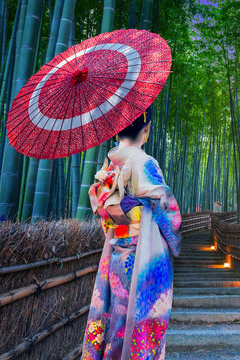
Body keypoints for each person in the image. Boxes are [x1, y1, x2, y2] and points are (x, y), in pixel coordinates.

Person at [81, 108, 182, 360]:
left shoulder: (110, 163)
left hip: (117, 252)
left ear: (117, 129)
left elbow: (108, 210)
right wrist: (175, 237)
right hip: (142, 256)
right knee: (142, 323)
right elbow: (165, 207)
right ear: (146, 129)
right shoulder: (144, 162)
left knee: (118, 319)